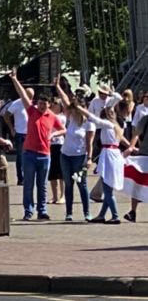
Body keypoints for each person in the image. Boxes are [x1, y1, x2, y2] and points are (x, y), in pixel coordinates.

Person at [8, 71, 61, 221]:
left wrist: (53, 135)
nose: (43, 106)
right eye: (41, 103)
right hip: (29, 154)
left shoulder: (52, 116)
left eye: (45, 104)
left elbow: (63, 129)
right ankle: (28, 211)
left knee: (42, 185)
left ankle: (42, 210)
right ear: (37, 104)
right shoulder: (32, 111)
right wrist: (15, 79)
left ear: (49, 104)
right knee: (28, 184)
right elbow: (24, 96)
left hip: (45, 155)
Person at [52, 79, 93, 222]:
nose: (73, 111)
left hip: (79, 156)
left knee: (82, 184)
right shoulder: (69, 118)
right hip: (65, 155)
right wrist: (57, 86)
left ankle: (87, 212)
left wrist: (89, 158)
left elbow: (89, 142)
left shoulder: (88, 123)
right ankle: (68, 213)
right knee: (69, 184)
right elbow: (64, 100)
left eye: (76, 109)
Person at [4, 85, 33, 186]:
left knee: (30, 156)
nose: (30, 99)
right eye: (29, 96)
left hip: (31, 134)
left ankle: (29, 176)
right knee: (21, 156)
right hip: (20, 133)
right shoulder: (17, 103)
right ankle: (20, 178)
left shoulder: (32, 104)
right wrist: (11, 128)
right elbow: (6, 115)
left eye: (32, 97)